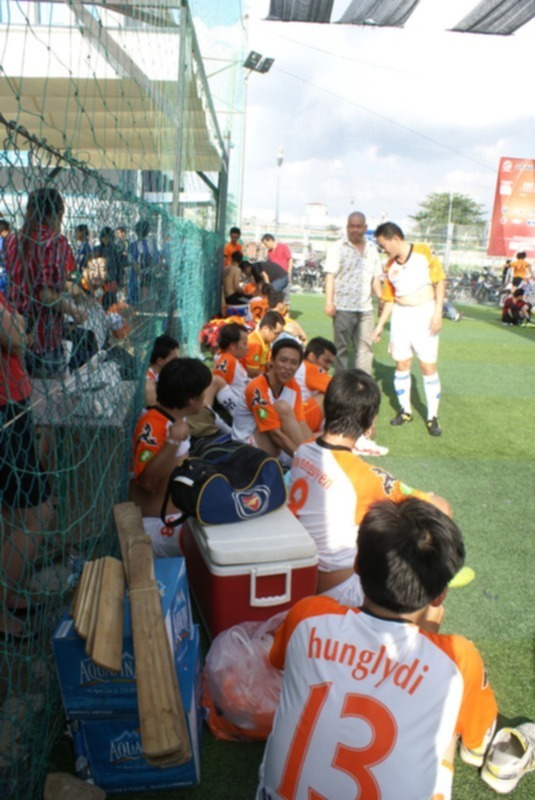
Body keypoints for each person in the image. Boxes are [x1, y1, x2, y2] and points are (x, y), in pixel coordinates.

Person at [257, 496, 498, 800]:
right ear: (440, 595)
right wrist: (428, 635)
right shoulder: (459, 659)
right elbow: (476, 738)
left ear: (357, 564)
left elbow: (277, 661)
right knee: (447, 722)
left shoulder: (309, 614)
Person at [288, 369, 448, 605]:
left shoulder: (303, 449)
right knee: (426, 597)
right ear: (370, 421)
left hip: (298, 576)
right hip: (338, 590)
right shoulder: (363, 476)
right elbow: (440, 507)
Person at [0, 292, 54, 638]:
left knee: (11, 512)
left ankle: (6, 591)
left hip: (10, 404)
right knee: (39, 510)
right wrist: (18, 325)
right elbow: (18, 336)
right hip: (4, 410)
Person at [130, 357, 212, 556]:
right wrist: (173, 442)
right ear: (190, 400)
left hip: (173, 516)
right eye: (202, 393)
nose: (204, 398)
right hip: (152, 525)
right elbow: (148, 484)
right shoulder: (153, 425)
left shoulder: (173, 421)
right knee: (215, 544)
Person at [372, 221, 445, 437]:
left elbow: (439, 281)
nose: (383, 249)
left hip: (425, 314)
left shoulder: (423, 252)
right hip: (401, 317)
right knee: (402, 363)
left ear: (395, 238)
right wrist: (379, 326)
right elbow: (389, 298)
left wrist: (437, 313)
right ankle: (405, 411)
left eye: (384, 245)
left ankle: (432, 416)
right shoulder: (389, 265)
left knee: (428, 366)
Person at [6, 187, 80, 377]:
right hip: (43, 336)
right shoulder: (55, 241)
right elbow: (44, 294)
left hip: (14, 330)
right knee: (47, 393)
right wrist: (75, 311)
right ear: (56, 214)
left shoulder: (13, 239)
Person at [231, 337, 312, 459]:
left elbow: (302, 424)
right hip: (245, 447)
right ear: (272, 360)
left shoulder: (294, 387)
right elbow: (275, 434)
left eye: (294, 363)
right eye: (283, 360)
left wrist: (317, 452)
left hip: (273, 442)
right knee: (282, 408)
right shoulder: (257, 387)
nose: (288, 367)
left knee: (315, 442)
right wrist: (304, 461)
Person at [324, 211, 382, 374]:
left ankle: (362, 385)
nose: (355, 230)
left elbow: (376, 277)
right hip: (343, 307)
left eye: (358, 226)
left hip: (366, 309)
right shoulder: (337, 248)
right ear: (347, 227)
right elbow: (330, 275)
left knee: (365, 349)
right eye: (352, 226)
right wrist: (329, 302)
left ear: (365, 228)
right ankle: (342, 386)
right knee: (341, 349)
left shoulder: (372, 249)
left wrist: (382, 299)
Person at [212, 323, 250, 408]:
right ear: (233, 346)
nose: (248, 348)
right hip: (239, 408)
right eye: (244, 344)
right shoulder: (228, 360)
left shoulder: (226, 357)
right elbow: (215, 387)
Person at [244, 310, 285, 378]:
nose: (278, 337)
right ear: (265, 328)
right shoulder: (255, 343)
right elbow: (252, 371)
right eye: (277, 333)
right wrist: (271, 377)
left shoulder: (266, 341)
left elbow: (267, 362)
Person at [145, 334, 180, 406]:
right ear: (160, 361)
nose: (177, 362)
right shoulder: (149, 382)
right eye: (174, 359)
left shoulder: (160, 375)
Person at [261, 233, 293, 302]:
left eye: (266, 244)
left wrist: (289, 272)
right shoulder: (269, 252)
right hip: (275, 277)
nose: (265, 246)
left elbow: (290, 258)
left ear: (270, 240)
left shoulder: (283, 247)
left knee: (285, 297)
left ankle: (286, 311)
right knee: (276, 296)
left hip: (284, 275)